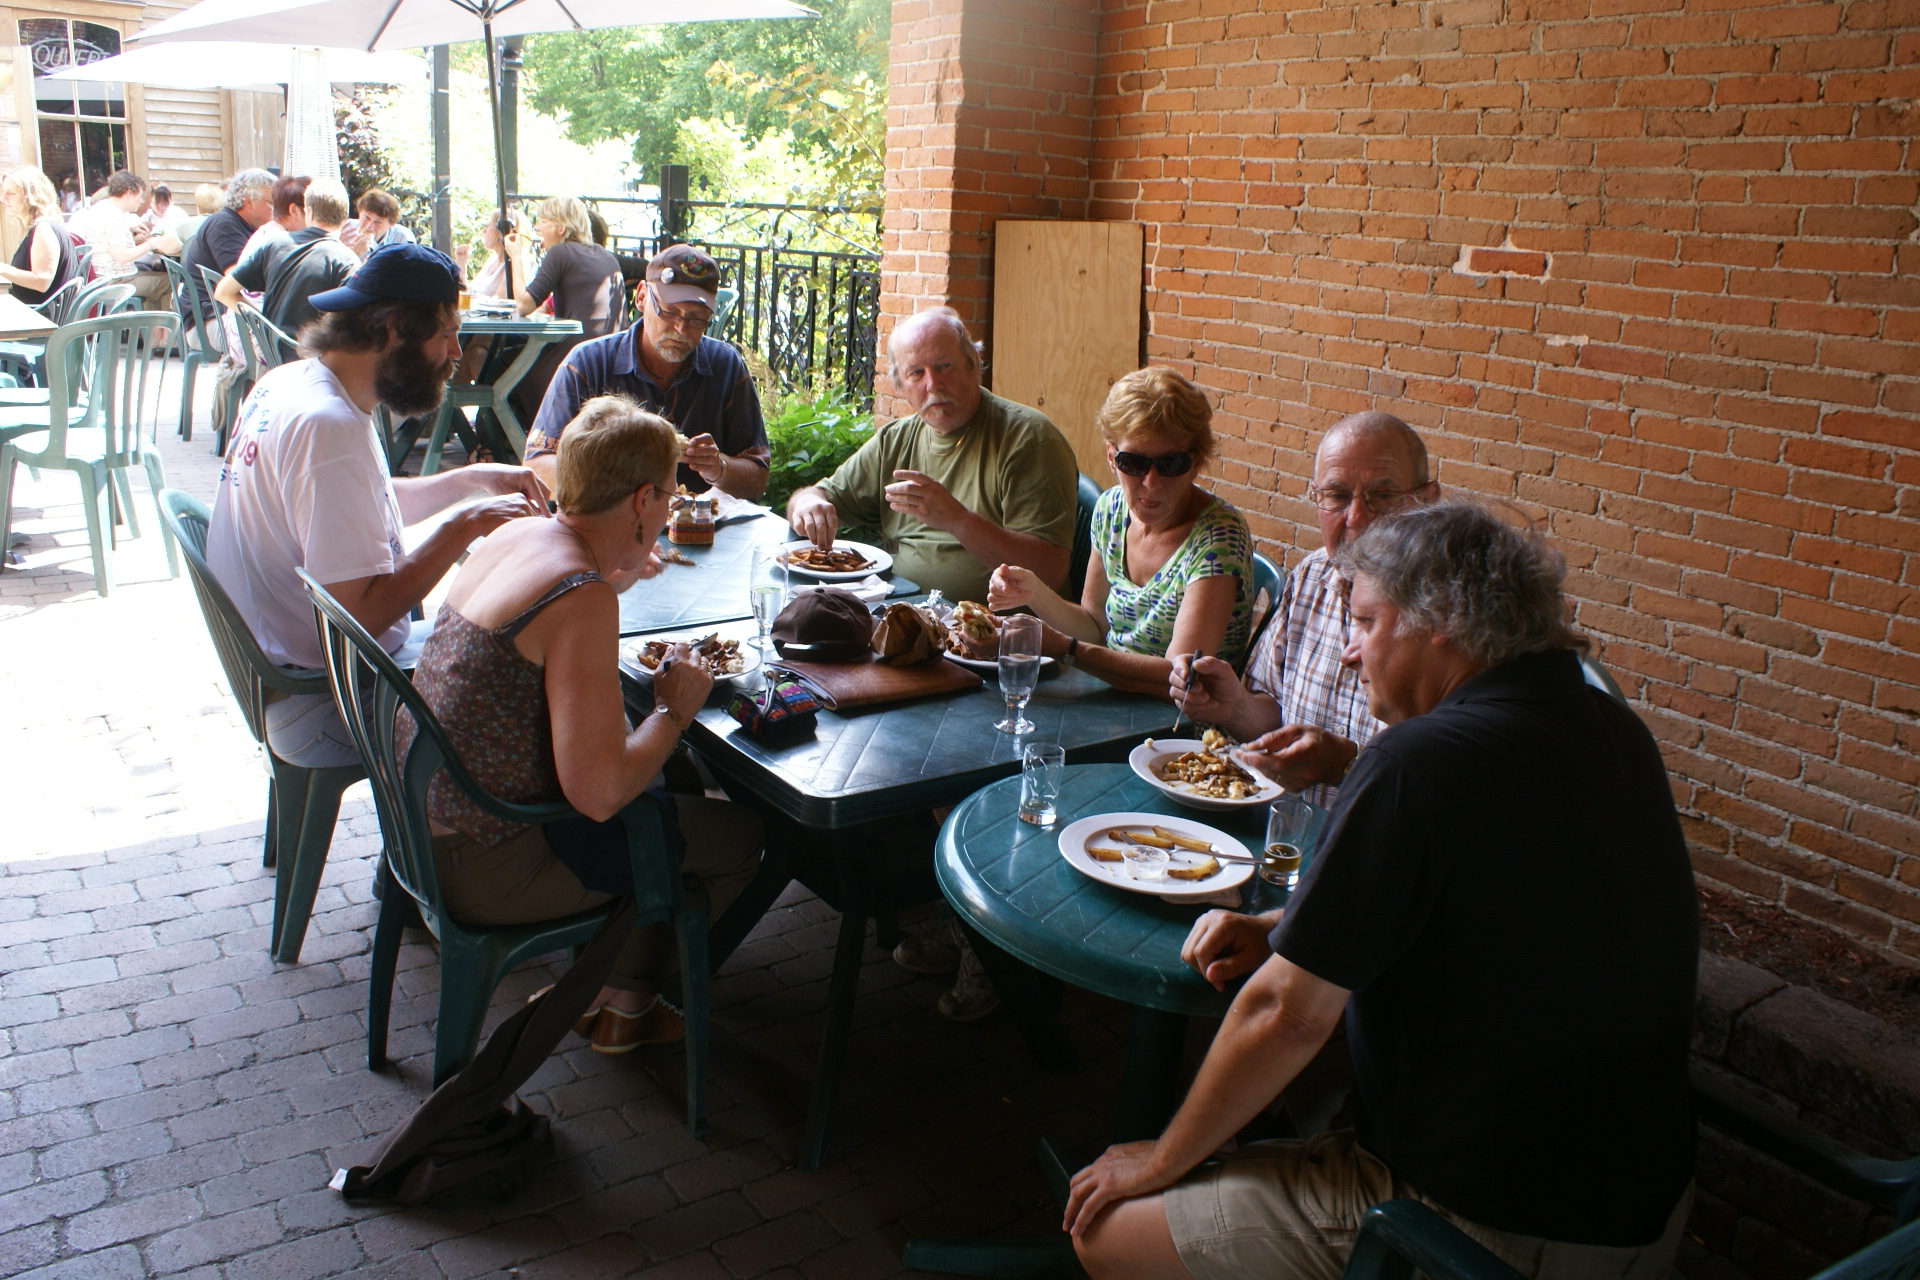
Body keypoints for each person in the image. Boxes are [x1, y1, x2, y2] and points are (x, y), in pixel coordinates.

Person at [1066, 499, 1699, 1280]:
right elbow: (1503, 910)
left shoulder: (1416, 761)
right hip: (1641, 1208)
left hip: (1483, 1230)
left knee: (1108, 1230)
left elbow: (1285, 1015)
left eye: (1365, 623)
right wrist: (1286, 928)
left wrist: (1163, 1157)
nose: (1348, 653)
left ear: (1442, 623)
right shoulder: (1611, 727)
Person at [399, 396, 765, 1051]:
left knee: (677, 782)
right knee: (740, 838)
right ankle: (629, 996)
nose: (670, 507)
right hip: (488, 865)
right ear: (642, 500)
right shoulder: (580, 596)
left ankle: (609, 993)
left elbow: (544, 621)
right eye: (669, 494)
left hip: (425, 826)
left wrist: (611, 576)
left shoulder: (518, 535)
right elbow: (599, 793)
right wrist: (673, 710)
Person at [206, 243, 550, 770]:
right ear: (393, 329)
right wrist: (464, 525)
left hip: (288, 674)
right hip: (323, 699)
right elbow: (360, 615)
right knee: (539, 711)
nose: (457, 352)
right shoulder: (328, 426)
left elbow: (358, 504)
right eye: (446, 334)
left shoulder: (294, 382)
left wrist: (472, 481)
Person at [1173, 411, 1436, 810]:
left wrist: (1346, 765)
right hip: (1285, 831)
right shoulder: (1311, 576)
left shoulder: (1451, 616)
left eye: (1382, 497)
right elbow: (1276, 717)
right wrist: (1232, 707)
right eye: (1337, 495)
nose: (1356, 518)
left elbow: (1457, 781)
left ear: (1428, 501)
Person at [986, 367, 1253, 692]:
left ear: (1195, 462)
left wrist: (1064, 648)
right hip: (1108, 694)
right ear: (1111, 456)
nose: (1151, 483)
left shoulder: (1220, 536)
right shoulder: (1111, 508)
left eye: (1170, 464)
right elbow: (1094, 626)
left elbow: (1179, 679)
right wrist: (1033, 592)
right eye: (1134, 463)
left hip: (1177, 719)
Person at [787, 307, 1079, 603]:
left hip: (994, 626)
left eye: (944, 366)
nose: (933, 384)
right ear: (901, 386)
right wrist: (807, 504)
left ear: (974, 365)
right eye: (916, 373)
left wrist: (958, 520)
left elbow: (1050, 571)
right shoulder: (895, 440)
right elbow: (818, 496)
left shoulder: (1028, 438)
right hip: (901, 610)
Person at [525, 244, 769, 501]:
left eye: (697, 318)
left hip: (700, 522)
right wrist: (610, 471)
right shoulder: (587, 363)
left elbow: (757, 478)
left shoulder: (726, 366)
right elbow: (537, 468)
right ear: (641, 297)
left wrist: (720, 469)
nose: (681, 328)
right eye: (669, 311)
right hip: (606, 521)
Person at [500, 195, 623, 416]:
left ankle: (534, 431)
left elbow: (524, 305)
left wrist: (515, 256)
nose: (537, 229)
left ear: (561, 228)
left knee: (500, 363)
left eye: (543, 222)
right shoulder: (606, 256)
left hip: (574, 362)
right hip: (609, 360)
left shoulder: (561, 252)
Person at [215, 177, 358, 343]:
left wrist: (263, 323)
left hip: (272, 351)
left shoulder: (274, 244)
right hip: (315, 354)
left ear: (309, 211)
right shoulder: (347, 261)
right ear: (345, 217)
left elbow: (223, 292)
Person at [66, 170, 172, 312]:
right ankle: (162, 326)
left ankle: (151, 324)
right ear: (128, 193)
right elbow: (122, 256)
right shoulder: (114, 216)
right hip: (115, 281)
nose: (141, 201)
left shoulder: (102, 207)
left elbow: (110, 246)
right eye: (139, 196)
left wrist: (134, 239)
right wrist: (152, 243)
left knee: (156, 279)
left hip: (100, 277)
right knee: (169, 282)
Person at [0, 165, 75, 308]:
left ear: (32, 197)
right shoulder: (41, 227)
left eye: (11, 193)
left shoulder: (43, 228)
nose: (3, 198)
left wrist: (2, 269)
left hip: (41, 317)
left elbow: (42, 281)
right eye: (3, 192)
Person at [183, 168, 275, 281]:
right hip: (210, 293)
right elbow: (240, 278)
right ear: (249, 202)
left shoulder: (243, 225)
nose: (277, 210)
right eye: (272, 203)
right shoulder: (223, 225)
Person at [232, 175, 310, 270]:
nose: (315, 220)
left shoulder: (269, 233)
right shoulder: (279, 242)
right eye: (311, 211)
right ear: (294, 210)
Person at [340, 189, 416, 256]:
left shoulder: (402, 238)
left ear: (391, 224)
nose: (369, 226)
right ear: (359, 211)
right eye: (367, 217)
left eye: (378, 222)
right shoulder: (346, 229)